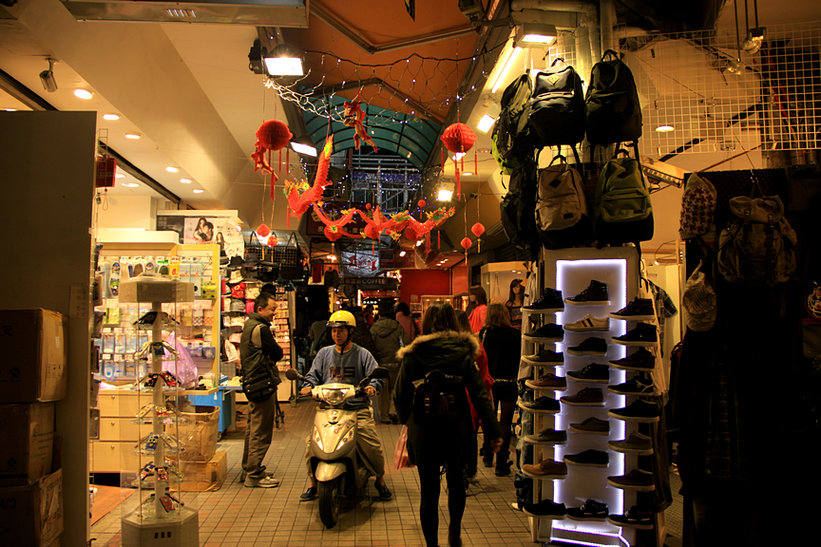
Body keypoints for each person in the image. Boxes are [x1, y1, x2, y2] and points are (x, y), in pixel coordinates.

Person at [394, 302, 502, 547]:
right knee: (456, 484)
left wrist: (407, 420)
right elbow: (480, 395)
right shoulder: (463, 353)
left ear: (426, 324)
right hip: (457, 428)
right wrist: (493, 431)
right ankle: (454, 530)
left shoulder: (414, 354)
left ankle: (432, 543)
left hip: (424, 428)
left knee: (428, 491)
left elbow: (399, 395)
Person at [298, 310, 393, 502]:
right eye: (334, 331)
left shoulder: (362, 354)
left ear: (350, 332)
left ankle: (380, 480)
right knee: (311, 445)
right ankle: (312, 483)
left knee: (371, 444)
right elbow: (313, 375)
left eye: (341, 330)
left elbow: (375, 375)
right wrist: (307, 386)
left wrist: (373, 387)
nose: (337, 334)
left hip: (356, 410)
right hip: (328, 409)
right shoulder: (324, 354)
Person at [239, 292, 284, 488]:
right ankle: (254, 474)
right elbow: (277, 352)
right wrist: (270, 357)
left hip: (253, 383)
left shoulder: (248, 326)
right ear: (260, 309)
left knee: (252, 429)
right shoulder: (261, 328)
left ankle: (248, 468)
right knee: (261, 431)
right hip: (262, 383)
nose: (275, 312)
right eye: (272, 309)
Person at [479, 303, 521, 476]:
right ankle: (502, 462)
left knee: (489, 420)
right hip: (509, 382)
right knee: (505, 422)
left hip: (490, 383)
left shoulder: (484, 334)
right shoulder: (515, 334)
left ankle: (488, 455)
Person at [454, 310, 493, 484]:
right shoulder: (477, 344)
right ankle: (470, 470)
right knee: (471, 434)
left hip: (459, 397)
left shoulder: (453, 346)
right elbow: (484, 374)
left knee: (459, 436)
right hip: (475, 396)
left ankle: (462, 472)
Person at [370, 302, 408, 424]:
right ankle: (393, 412)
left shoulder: (374, 328)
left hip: (380, 364)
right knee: (395, 390)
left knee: (383, 392)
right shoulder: (398, 327)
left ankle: (384, 416)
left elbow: (371, 346)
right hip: (396, 363)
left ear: (380, 314)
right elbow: (405, 344)